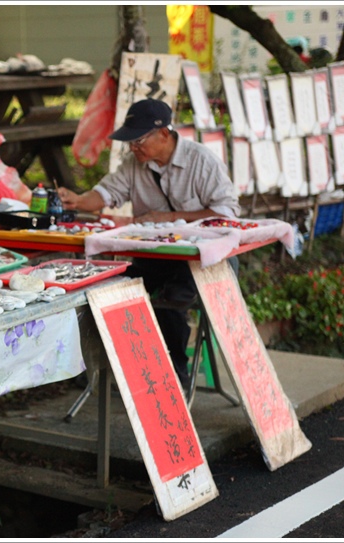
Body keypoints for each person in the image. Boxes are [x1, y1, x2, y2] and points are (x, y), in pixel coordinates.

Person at [58, 98, 240, 391]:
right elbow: (105, 193)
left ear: (164, 135)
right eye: (129, 141)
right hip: (154, 258)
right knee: (106, 288)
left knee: (170, 300)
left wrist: (169, 218)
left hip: (200, 262)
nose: (132, 147)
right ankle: (103, 372)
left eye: (138, 140)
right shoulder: (134, 165)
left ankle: (175, 377)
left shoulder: (202, 161)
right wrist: (78, 200)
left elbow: (227, 213)